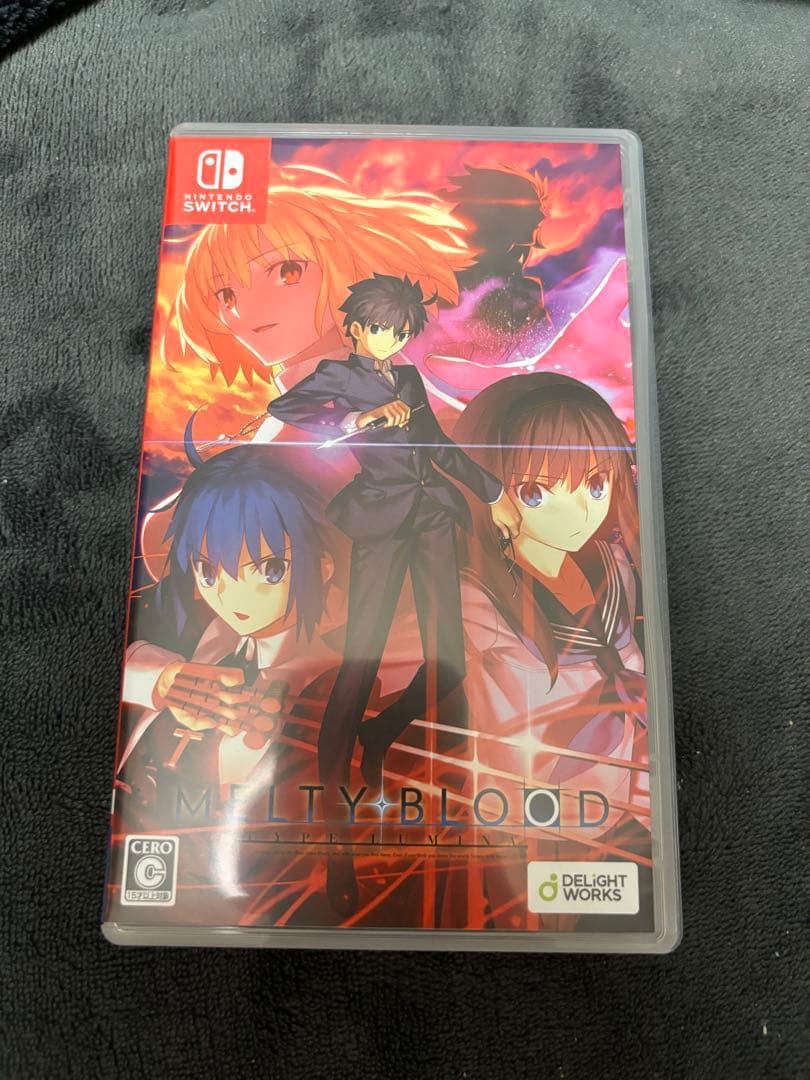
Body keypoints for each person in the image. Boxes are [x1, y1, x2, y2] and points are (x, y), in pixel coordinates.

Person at [266, 272, 521, 914]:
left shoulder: (407, 379)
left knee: (449, 664)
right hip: (378, 521)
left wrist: (494, 492)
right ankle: (337, 843)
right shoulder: (336, 373)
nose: (391, 339)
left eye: (401, 331)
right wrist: (358, 416)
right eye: (381, 328)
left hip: (432, 518)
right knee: (360, 665)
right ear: (355, 327)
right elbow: (285, 410)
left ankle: (379, 735)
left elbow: (437, 447)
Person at [454, 373, 649, 926]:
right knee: (542, 929)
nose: (579, 513)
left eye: (596, 483)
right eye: (537, 492)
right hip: (533, 814)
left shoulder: (615, 566)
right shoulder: (472, 599)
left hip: (628, 798)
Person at [118, 422, 342, 822]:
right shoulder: (188, 619)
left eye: (270, 570)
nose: (231, 595)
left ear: (323, 567)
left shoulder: (333, 680)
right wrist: (161, 679)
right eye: (208, 571)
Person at [171, 166, 474, 399]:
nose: (242, 311)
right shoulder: (314, 381)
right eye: (226, 296)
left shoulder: (367, 376)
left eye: (288, 272)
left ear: (351, 262)